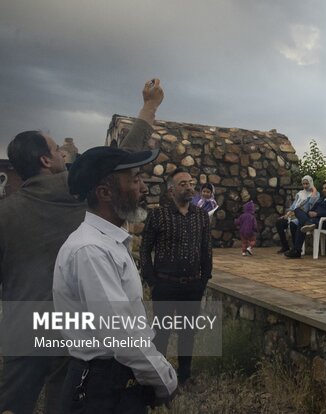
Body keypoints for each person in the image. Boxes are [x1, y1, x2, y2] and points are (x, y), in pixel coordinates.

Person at [0, 78, 163, 414]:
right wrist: (149, 107)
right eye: (57, 149)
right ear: (46, 162)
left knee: (14, 405)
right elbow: (123, 156)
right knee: (64, 402)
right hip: (73, 330)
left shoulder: (5, 212)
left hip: (20, 331)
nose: (63, 153)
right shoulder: (75, 188)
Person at [53, 145, 178, 412]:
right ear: (105, 193)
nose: (144, 188)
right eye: (135, 179)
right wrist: (165, 380)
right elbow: (121, 335)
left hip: (115, 380)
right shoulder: (91, 250)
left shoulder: (109, 242)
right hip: (100, 387)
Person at [140, 167, 212, 386]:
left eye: (191, 183)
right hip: (165, 285)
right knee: (161, 334)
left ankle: (184, 377)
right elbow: (144, 250)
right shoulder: (158, 215)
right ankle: (159, 379)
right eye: (183, 184)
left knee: (187, 333)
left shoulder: (200, 216)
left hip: (192, 285)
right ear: (171, 191)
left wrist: (203, 280)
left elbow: (206, 249)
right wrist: (152, 281)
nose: (190, 187)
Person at [284, 180, 326, 259]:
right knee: (297, 210)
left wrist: (317, 214)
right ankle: (307, 223)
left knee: (301, 224)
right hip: (313, 220)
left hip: (323, 222)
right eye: (323, 188)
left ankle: (297, 251)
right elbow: (312, 209)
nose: (324, 190)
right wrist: (309, 213)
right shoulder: (321, 199)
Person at [275, 175, 319, 254]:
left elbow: (310, 204)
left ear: (311, 183)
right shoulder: (300, 193)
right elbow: (294, 205)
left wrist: (314, 190)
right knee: (279, 222)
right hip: (294, 213)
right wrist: (287, 215)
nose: (305, 186)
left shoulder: (316, 194)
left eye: (307, 184)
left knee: (293, 223)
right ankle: (285, 246)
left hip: (303, 215)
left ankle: (296, 249)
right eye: (303, 184)